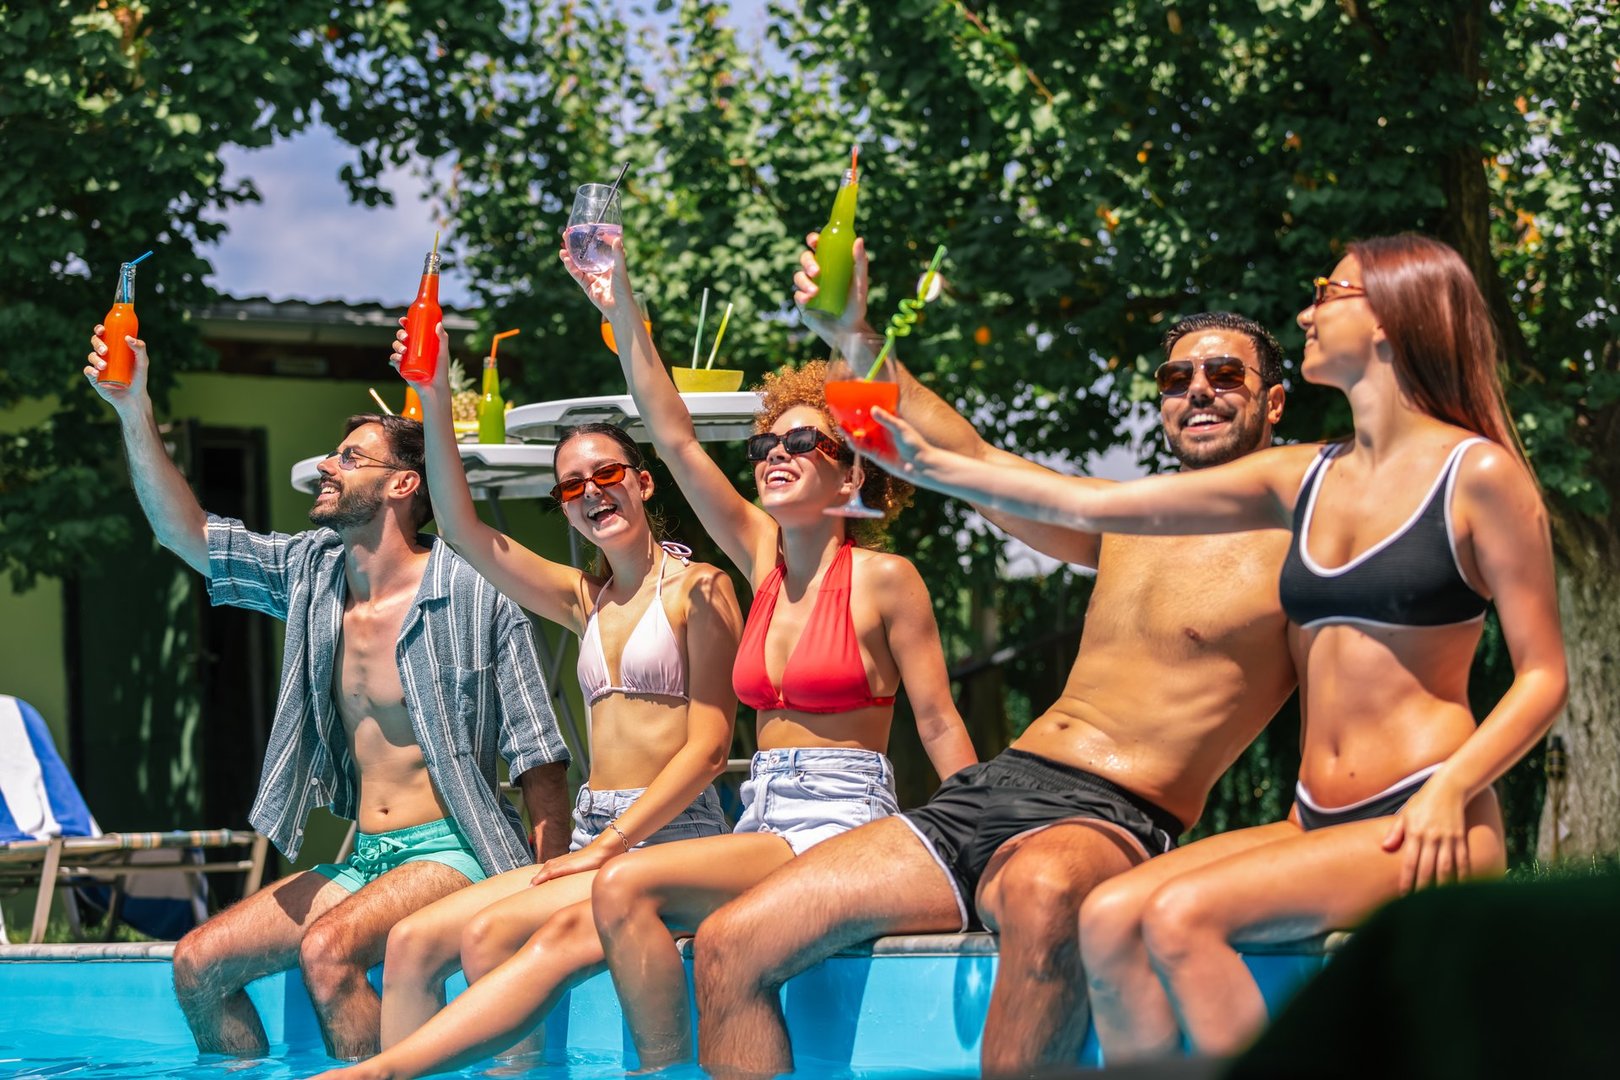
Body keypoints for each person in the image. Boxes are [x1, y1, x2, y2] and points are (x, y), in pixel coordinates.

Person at [867, 234, 1568, 1060]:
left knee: (1176, 916)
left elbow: (1544, 675)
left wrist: (1453, 789)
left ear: (1390, 317)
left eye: (1329, 293)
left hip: (1425, 814)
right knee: (1108, 917)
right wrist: (938, 469)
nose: (1308, 310)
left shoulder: (1476, 475)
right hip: (1317, 818)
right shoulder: (1304, 478)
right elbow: (1074, 500)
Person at [309, 232, 977, 1080]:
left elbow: (939, 723)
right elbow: (673, 431)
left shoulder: (873, 581)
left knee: (617, 890)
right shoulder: (763, 561)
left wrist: (976, 848)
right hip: (757, 820)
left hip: (830, 823)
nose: (774, 455)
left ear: (852, 477)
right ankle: (386, 1072)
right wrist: (615, 304)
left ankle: (660, 1072)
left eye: (802, 445)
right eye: (766, 446)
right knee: (467, 941)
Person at [693, 237, 1297, 1076]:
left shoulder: (1307, 544)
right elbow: (973, 462)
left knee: (1044, 896)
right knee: (730, 944)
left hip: (1110, 813)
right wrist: (858, 338)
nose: (1196, 390)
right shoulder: (1124, 515)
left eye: (1225, 375)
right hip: (992, 790)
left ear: (1274, 403)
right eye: (1176, 379)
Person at [81, 330, 571, 1060]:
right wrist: (131, 408)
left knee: (327, 951)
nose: (326, 470)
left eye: (349, 459)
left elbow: (541, 761)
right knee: (197, 967)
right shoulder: (312, 575)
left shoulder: (476, 591)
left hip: (457, 848)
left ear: (404, 484)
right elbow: (185, 533)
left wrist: (546, 891)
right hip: (368, 856)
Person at [372, 323, 741, 1051]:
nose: (591, 492)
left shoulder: (701, 589)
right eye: (572, 486)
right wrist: (434, 392)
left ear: (642, 481)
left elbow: (708, 749)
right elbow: (462, 528)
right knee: (412, 942)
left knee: (489, 938)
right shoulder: (586, 600)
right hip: (598, 830)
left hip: (669, 833)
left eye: (607, 474)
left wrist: (607, 846)